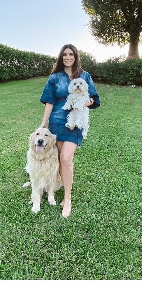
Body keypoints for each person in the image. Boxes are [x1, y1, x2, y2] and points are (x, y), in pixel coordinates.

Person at [39, 44, 100, 218]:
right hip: (57, 122)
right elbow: (49, 101)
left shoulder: (84, 75)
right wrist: (43, 123)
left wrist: (82, 104)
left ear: (75, 56)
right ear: (61, 57)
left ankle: (67, 198)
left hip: (76, 123)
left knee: (66, 158)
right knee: (60, 158)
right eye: (65, 54)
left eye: (71, 54)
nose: (68, 57)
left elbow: (94, 98)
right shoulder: (54, 77)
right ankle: (58, 183)